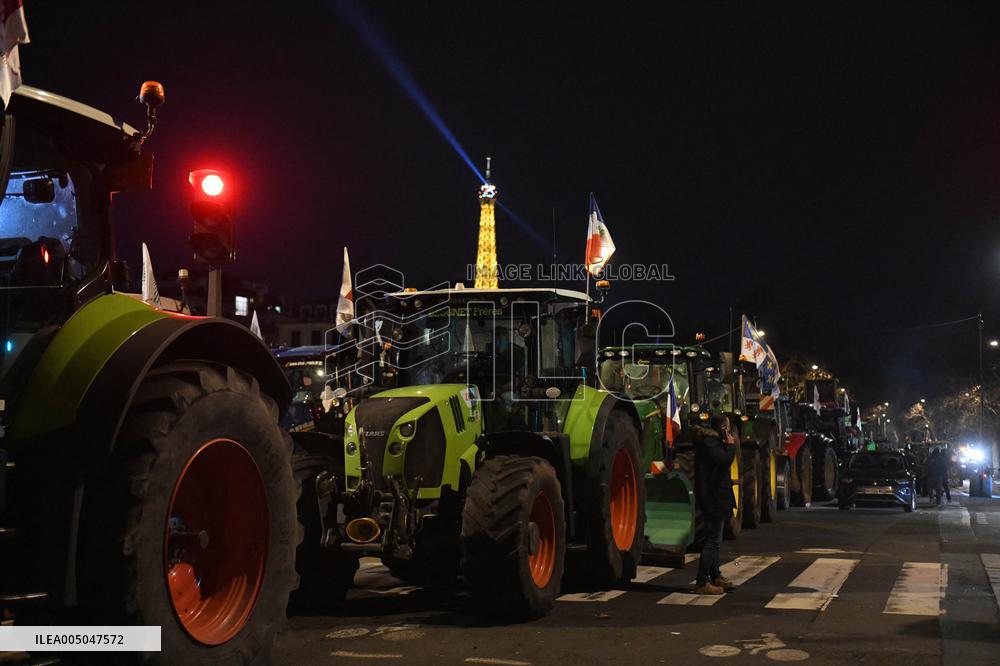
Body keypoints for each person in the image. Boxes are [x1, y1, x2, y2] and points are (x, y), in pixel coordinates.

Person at [693, 414, 738, 595]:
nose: (728, 431)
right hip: (713, 497)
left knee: (716, 540)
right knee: (712, 541)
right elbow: (723, 460)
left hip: (713, 495)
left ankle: (715, 575)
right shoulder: (711, 443)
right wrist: (731, 446)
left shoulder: (710, 442)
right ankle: (702, 581)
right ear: (722, 428)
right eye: (727, 427)